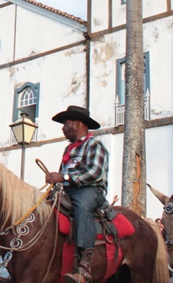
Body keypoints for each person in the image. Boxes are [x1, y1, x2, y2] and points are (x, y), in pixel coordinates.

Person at [44, 105, 108, 283]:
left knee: (82, 206)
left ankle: (84, 266)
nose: (63, 128)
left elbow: (95, 173)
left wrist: (63, 176)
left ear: (77, 124)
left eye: (65, 124)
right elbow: (63, 174)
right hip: (69, 190)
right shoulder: (68, 150)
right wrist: (55, 180)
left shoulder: (94, 145)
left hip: (92, 190)